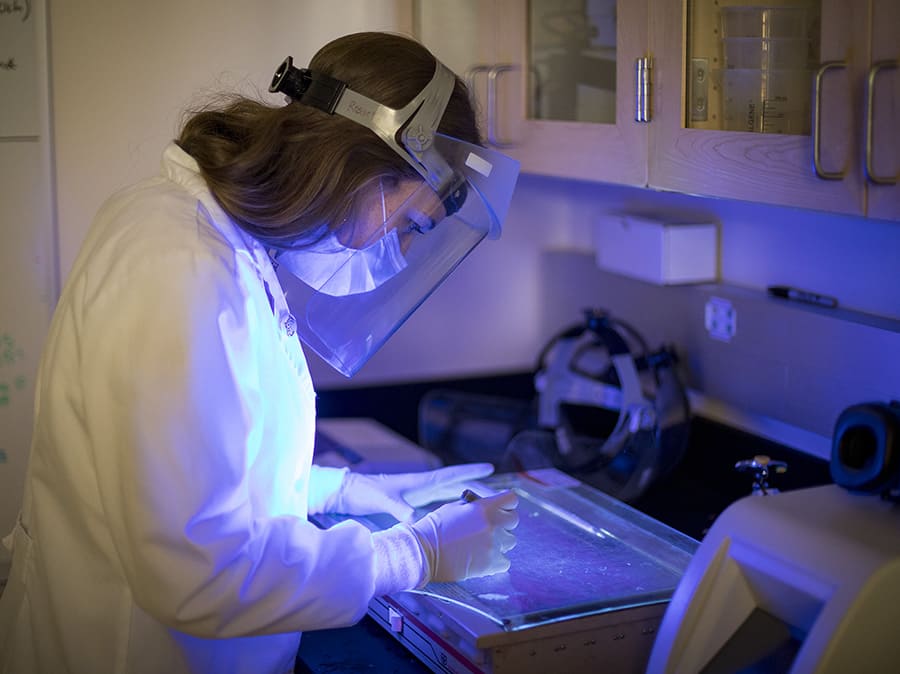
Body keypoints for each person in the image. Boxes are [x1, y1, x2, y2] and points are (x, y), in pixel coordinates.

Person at [0, 31, 521, 674]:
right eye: (412, 225)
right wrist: (408, 556)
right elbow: (194, 572)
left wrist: (340, 489)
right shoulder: (180, 266)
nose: (402, 253)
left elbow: (195, 469)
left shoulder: (221, 244)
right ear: (365, 163)